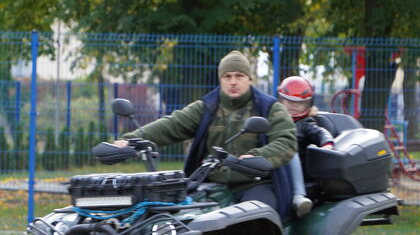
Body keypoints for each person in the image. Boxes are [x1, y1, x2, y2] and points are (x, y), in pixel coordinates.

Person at [114, 50, 297, 217]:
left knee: (260, 220)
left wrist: (256, 157)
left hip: (254, 185)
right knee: (180, 221)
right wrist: (130, 141)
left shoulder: (270, 108)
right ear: (220, 80)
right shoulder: (207, 107)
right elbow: (172, 124)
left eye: (239, 76)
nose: (233, 82)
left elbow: (286, 141)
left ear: (249, 79)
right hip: (212, 185)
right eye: (227, 76)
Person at [277, 76, 334, 217]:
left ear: (308, 104)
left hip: (299, 170)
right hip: (277, 165)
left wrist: (327, 144)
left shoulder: (306, 123)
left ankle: (299, 196)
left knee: (290, 149)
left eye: (300, 103)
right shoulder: (275, 121)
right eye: (289, 101)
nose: (294, 105)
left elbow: (320, 133)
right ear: (281, 100)